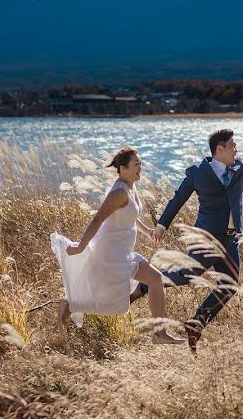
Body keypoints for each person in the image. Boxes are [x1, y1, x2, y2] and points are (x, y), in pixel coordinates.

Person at [132, 129, 243, 352]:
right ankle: (145, 285)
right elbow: (177, 199)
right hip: (206, 238)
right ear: (219, 149)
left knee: (229, 285)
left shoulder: (241, 169)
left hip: (230, 240)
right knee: (187, 277)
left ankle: (197, 323)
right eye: (232, 146)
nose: (236, 149)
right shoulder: (198, 173)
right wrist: (161, 225)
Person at [51, 146, 185, 344]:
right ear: (123, 168)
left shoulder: (130, 187)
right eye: (136, 165)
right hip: (110, 253)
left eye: (140, 164)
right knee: (110, 303)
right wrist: (80, 247)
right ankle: (69, 305)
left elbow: (130, 215)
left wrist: (147, 230)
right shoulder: (119, 193)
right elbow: (97, 220)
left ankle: (160, 334)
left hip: (123, 251)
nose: (140, 168)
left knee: (156, 280)